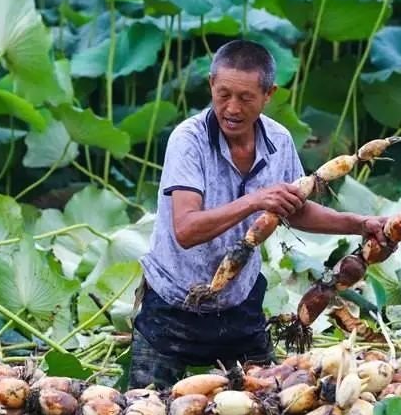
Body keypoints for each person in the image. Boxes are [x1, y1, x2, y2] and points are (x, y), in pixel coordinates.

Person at [130, 39, 387, 389]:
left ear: (269, 95)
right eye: (223, 95)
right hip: (173, 306)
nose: (231, 108)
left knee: (274, 402)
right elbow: (186, 230)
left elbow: (294, 211)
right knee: (144, 413)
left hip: (239, 307)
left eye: (246, 98)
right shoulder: (187, 140)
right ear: (210, 85)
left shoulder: (279, 140)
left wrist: (362, 224)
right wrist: (255, 200)